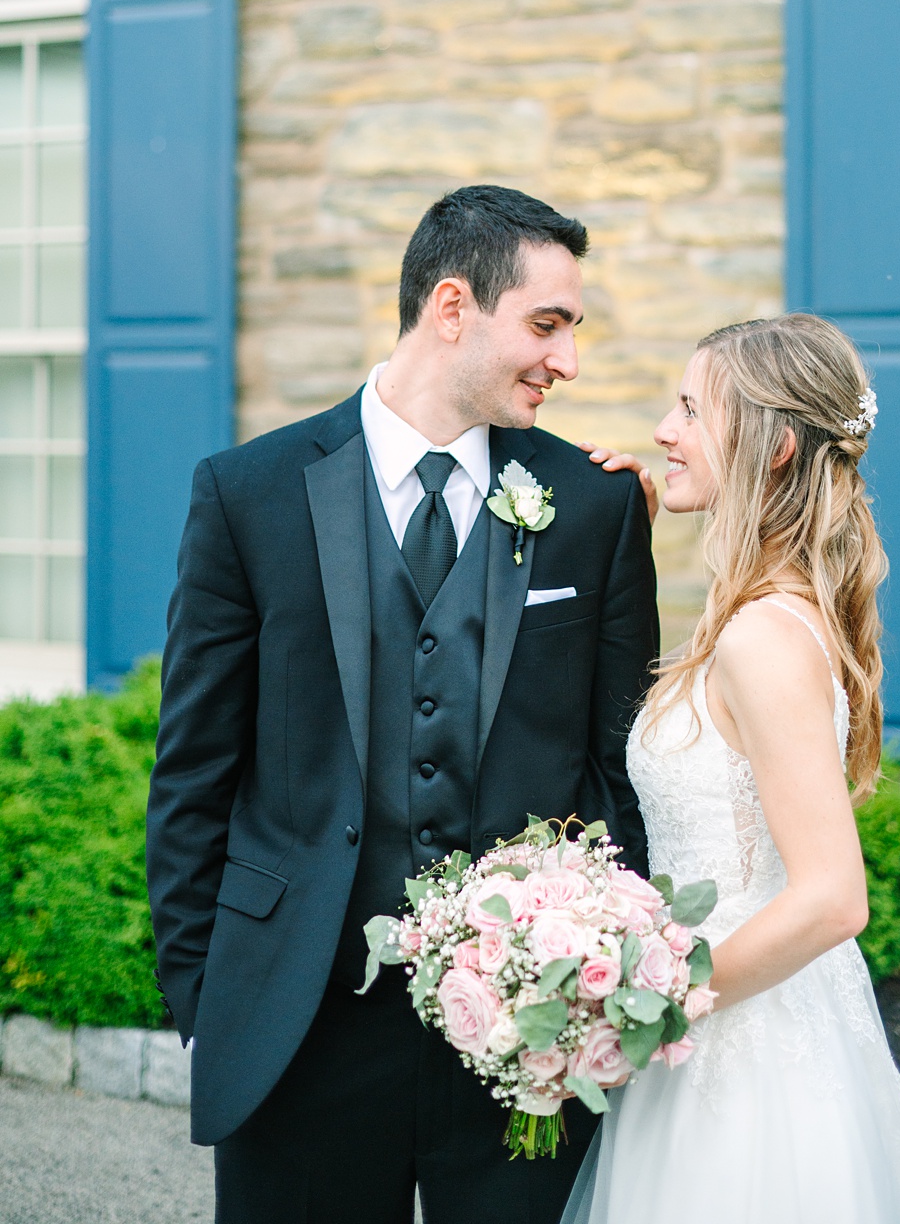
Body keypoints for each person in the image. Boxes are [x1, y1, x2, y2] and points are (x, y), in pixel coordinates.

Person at [146, 185, 660, 1221]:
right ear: (455, 306)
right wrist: (206, 999)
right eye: (547, 324)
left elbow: (620, 770)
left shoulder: (596, 504)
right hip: (299, 1027)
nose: (568, 360)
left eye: (573, 330)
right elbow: (194, 766)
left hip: (523, 1041)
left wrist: (595, 986)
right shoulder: (247, 493)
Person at [562, 315, 900, 1222]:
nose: (663, 429)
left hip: (741, 1042)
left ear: (774, 445)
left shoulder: (764, 638)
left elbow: (832, 898)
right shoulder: (760, 612)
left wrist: (657, 1005)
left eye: (693, 409)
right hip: (731, 1010)